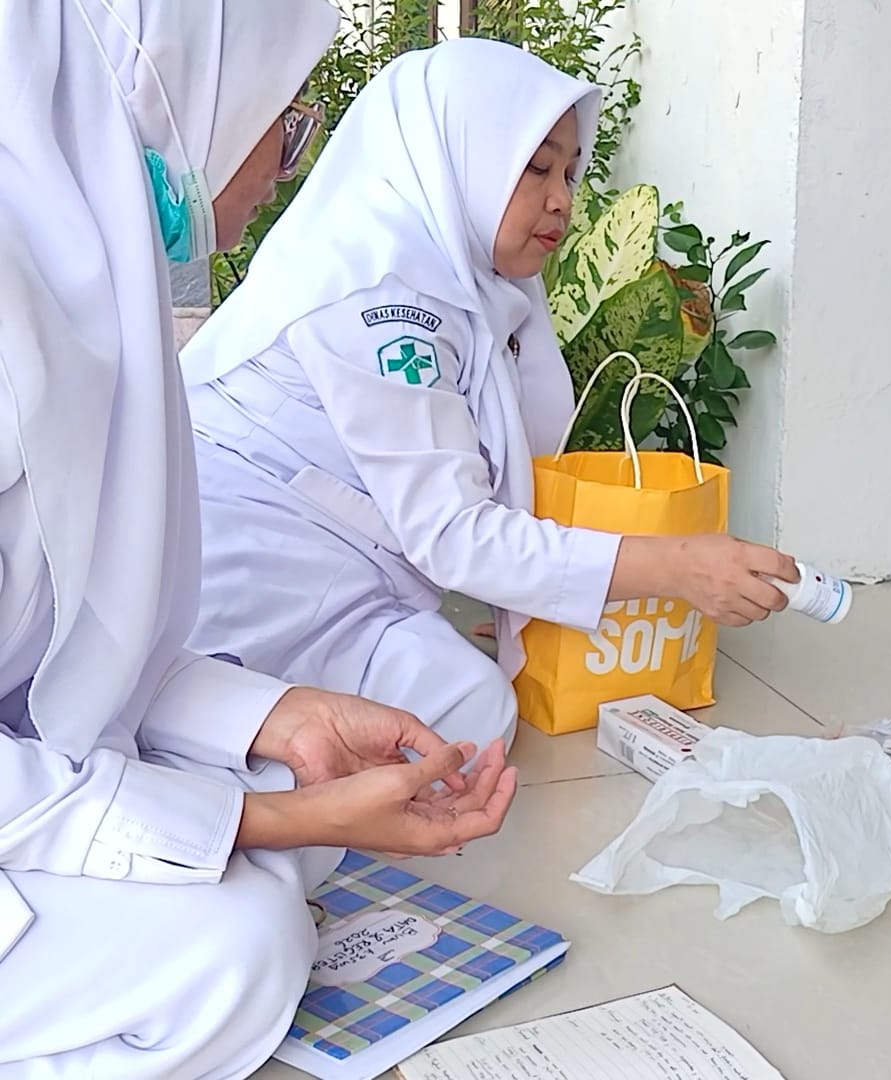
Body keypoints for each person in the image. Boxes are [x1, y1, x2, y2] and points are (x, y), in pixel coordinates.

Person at [0, 4, 518, 1077]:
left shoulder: (80, 298)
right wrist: (255, 822)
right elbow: (464, 538)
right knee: (237, 950)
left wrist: (280, 716)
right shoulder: (366, 289)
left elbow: (54, 650)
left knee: (329, 773)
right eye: (282, 120)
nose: (288, 166)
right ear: (173, 94)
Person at [180, 38, 799, 750]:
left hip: (345, 582)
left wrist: (518, 594)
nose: (562, 199)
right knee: (454, 726)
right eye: (535, 169)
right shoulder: (381, 294)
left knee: (470, 712)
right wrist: (678, 568)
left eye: (570, 171)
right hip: (241, 586)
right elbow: (452, 532)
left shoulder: (461, 282)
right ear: (459, 158)